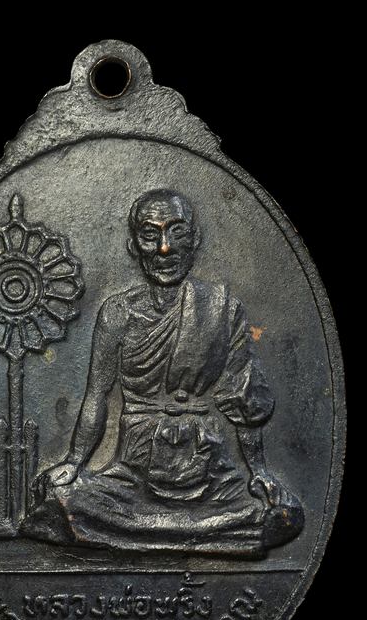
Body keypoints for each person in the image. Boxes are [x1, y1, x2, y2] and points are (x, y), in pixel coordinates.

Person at [21, 189, 304, 556]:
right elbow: (97, 394)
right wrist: (75, 462)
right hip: (133, 472)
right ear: (133, 245)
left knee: (282, 513)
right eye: (150, 234)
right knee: (62, 497)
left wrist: (259, 471)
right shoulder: (118, 312)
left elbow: (243, 398)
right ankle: (207, 536)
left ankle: (136, 535)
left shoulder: (220, 308)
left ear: (195, 239)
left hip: (209, 467)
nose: (165, 248)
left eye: (177, 231)